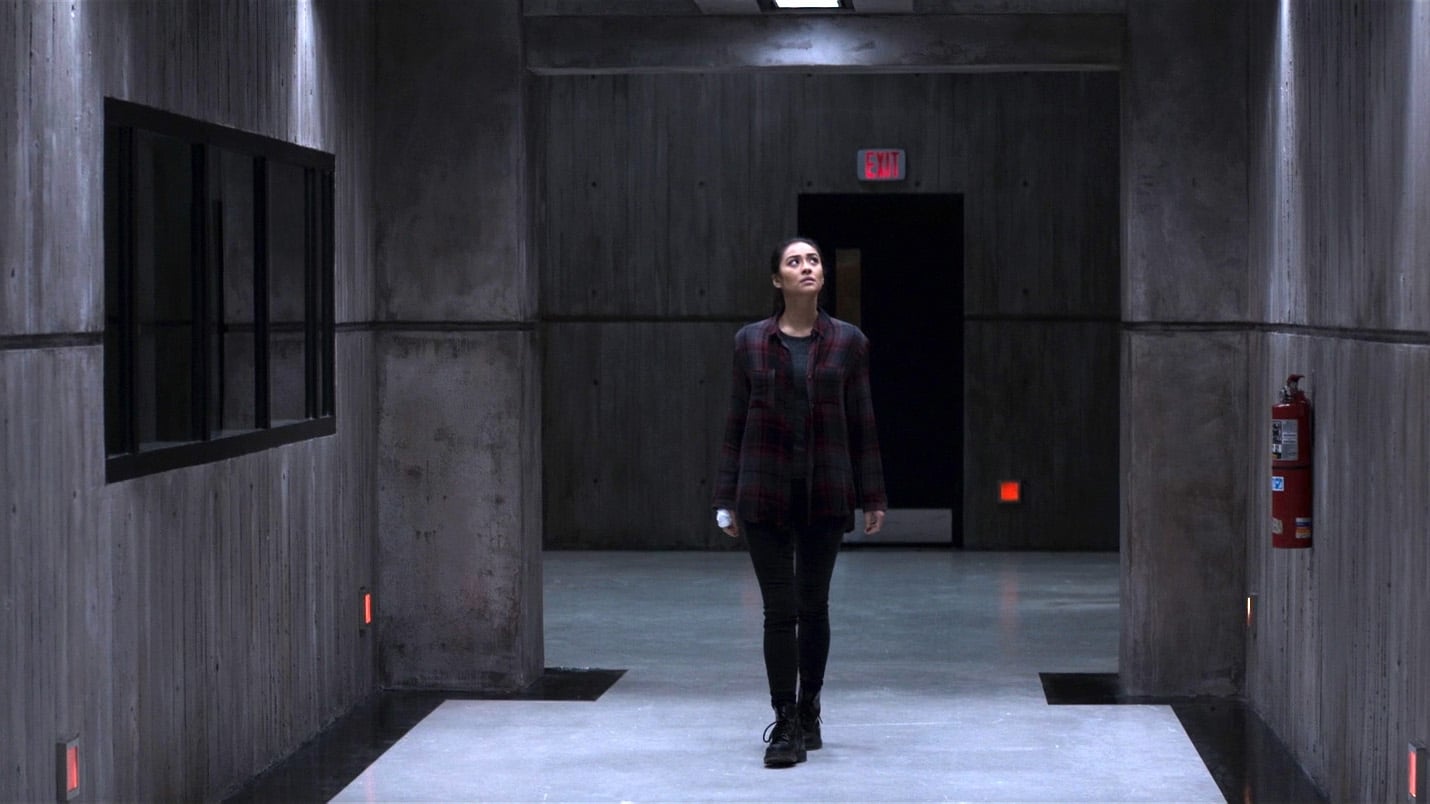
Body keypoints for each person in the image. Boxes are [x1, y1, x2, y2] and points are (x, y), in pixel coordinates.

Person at [712, 237, 887, 768]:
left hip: (826, 489)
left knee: (813, 606)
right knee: (778, 611)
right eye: (794, 261)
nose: (806, 267)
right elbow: (735, 421)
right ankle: (784, 721)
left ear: (822, 276)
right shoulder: (750, 342)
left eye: (813, 260)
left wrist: (873, 495)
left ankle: (810, 710)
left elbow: (862, 421)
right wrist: (724, 497)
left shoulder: (849, 342)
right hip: (763, 490)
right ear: (777, 279)